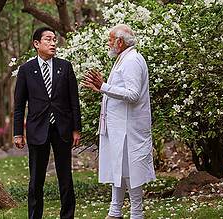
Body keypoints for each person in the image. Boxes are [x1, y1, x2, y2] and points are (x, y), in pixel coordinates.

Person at [83, 24, 156, 219]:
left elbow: (132, 95)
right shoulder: (123, 59)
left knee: (132, 171)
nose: (108, 43)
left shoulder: (132, 60)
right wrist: (102, 88)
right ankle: (115, 212)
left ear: (120, 42)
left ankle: (136, 213)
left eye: (110, 40)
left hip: (129, 128)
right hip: (118, 127)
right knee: (119, 169)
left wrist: (104, 86)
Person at [13, 27, 81, 219]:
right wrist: (18, 133)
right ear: (36, 44)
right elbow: (19, 105)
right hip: (37, 129)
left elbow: (73, 100)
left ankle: (67, 216)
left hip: (63, 128)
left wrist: (76, 129)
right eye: (48, 40)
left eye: (54, 40)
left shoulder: (65, 66)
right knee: (36, 179)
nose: (53, 44)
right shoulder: (26, 70)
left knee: (65, 178)